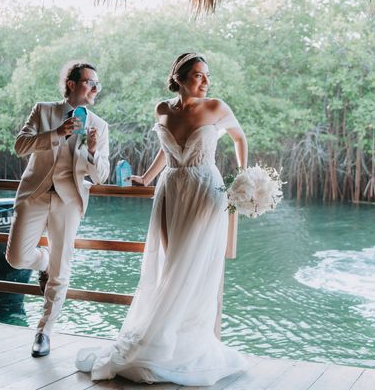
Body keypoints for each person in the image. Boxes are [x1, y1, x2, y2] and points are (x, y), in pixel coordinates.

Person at [75, 53, 248, 385]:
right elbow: (164, 148)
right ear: (180, 77)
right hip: (169, 189)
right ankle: (162, 336)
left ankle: (181, 341)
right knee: (169, 263)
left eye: (207, 75)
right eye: (198, 75)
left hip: (204, 190)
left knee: (192, 265)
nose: (205, 81)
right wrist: (148, 177)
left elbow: (239, 138)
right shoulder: (163, 110)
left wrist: (243, 178)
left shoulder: (216, 108)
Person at [5, 61, 110, 357]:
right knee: (16, 257)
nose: (95, 89)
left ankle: (44, 332)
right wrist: (58, 133)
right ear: (72, 84)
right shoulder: (43, 111)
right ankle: (43, 262)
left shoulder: (100, 126)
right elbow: (20, 146)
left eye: (97, 84)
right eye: (90, 82)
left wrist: (91, 152)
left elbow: (101, 175)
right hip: (35, 194)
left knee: (62, 270)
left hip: (69, 200)